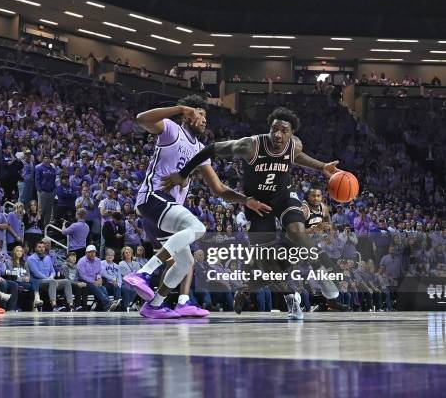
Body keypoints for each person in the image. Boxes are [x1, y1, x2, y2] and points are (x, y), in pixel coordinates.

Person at [162, 106, 346, 320]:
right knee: (270, 264)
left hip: (283, 196)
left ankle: (321, 271)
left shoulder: (295, 145)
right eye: (274, 129)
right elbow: (210, 148)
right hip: (257, 204)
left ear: (291, 134)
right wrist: (183, 174)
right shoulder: (250, 145)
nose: (277, 134)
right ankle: (281, 297)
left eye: (283, 131)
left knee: (297, 231)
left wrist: (323, 166)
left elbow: (298, 156)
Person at [122, 95, 266, 319]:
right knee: (197, 226)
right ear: (188, 114)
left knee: (185, 263)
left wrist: (245, 200)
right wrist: (179, 107)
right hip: (153, 197)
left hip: (167, 211)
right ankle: (143, 273)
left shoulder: (200, 149)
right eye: (201, 114)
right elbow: (141, 119)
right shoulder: (171, 129)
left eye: (206, 116)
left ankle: (155, 305)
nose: (204, 119)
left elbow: (218, 189)